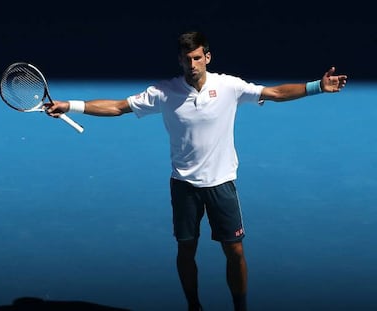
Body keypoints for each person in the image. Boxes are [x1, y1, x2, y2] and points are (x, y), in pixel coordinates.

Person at [46, 31, 348, 311]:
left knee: (236, 253)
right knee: (186, 250)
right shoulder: (164, 92)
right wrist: (70, 105)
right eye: (186, 59)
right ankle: (194, 307)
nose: (192, 64)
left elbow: (275, 93)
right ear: (180, 60)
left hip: (221, 184)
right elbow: (118, 107)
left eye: (197, 58)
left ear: (207, 58)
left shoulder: (229, 86)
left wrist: (317, 87)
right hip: (184, 186)